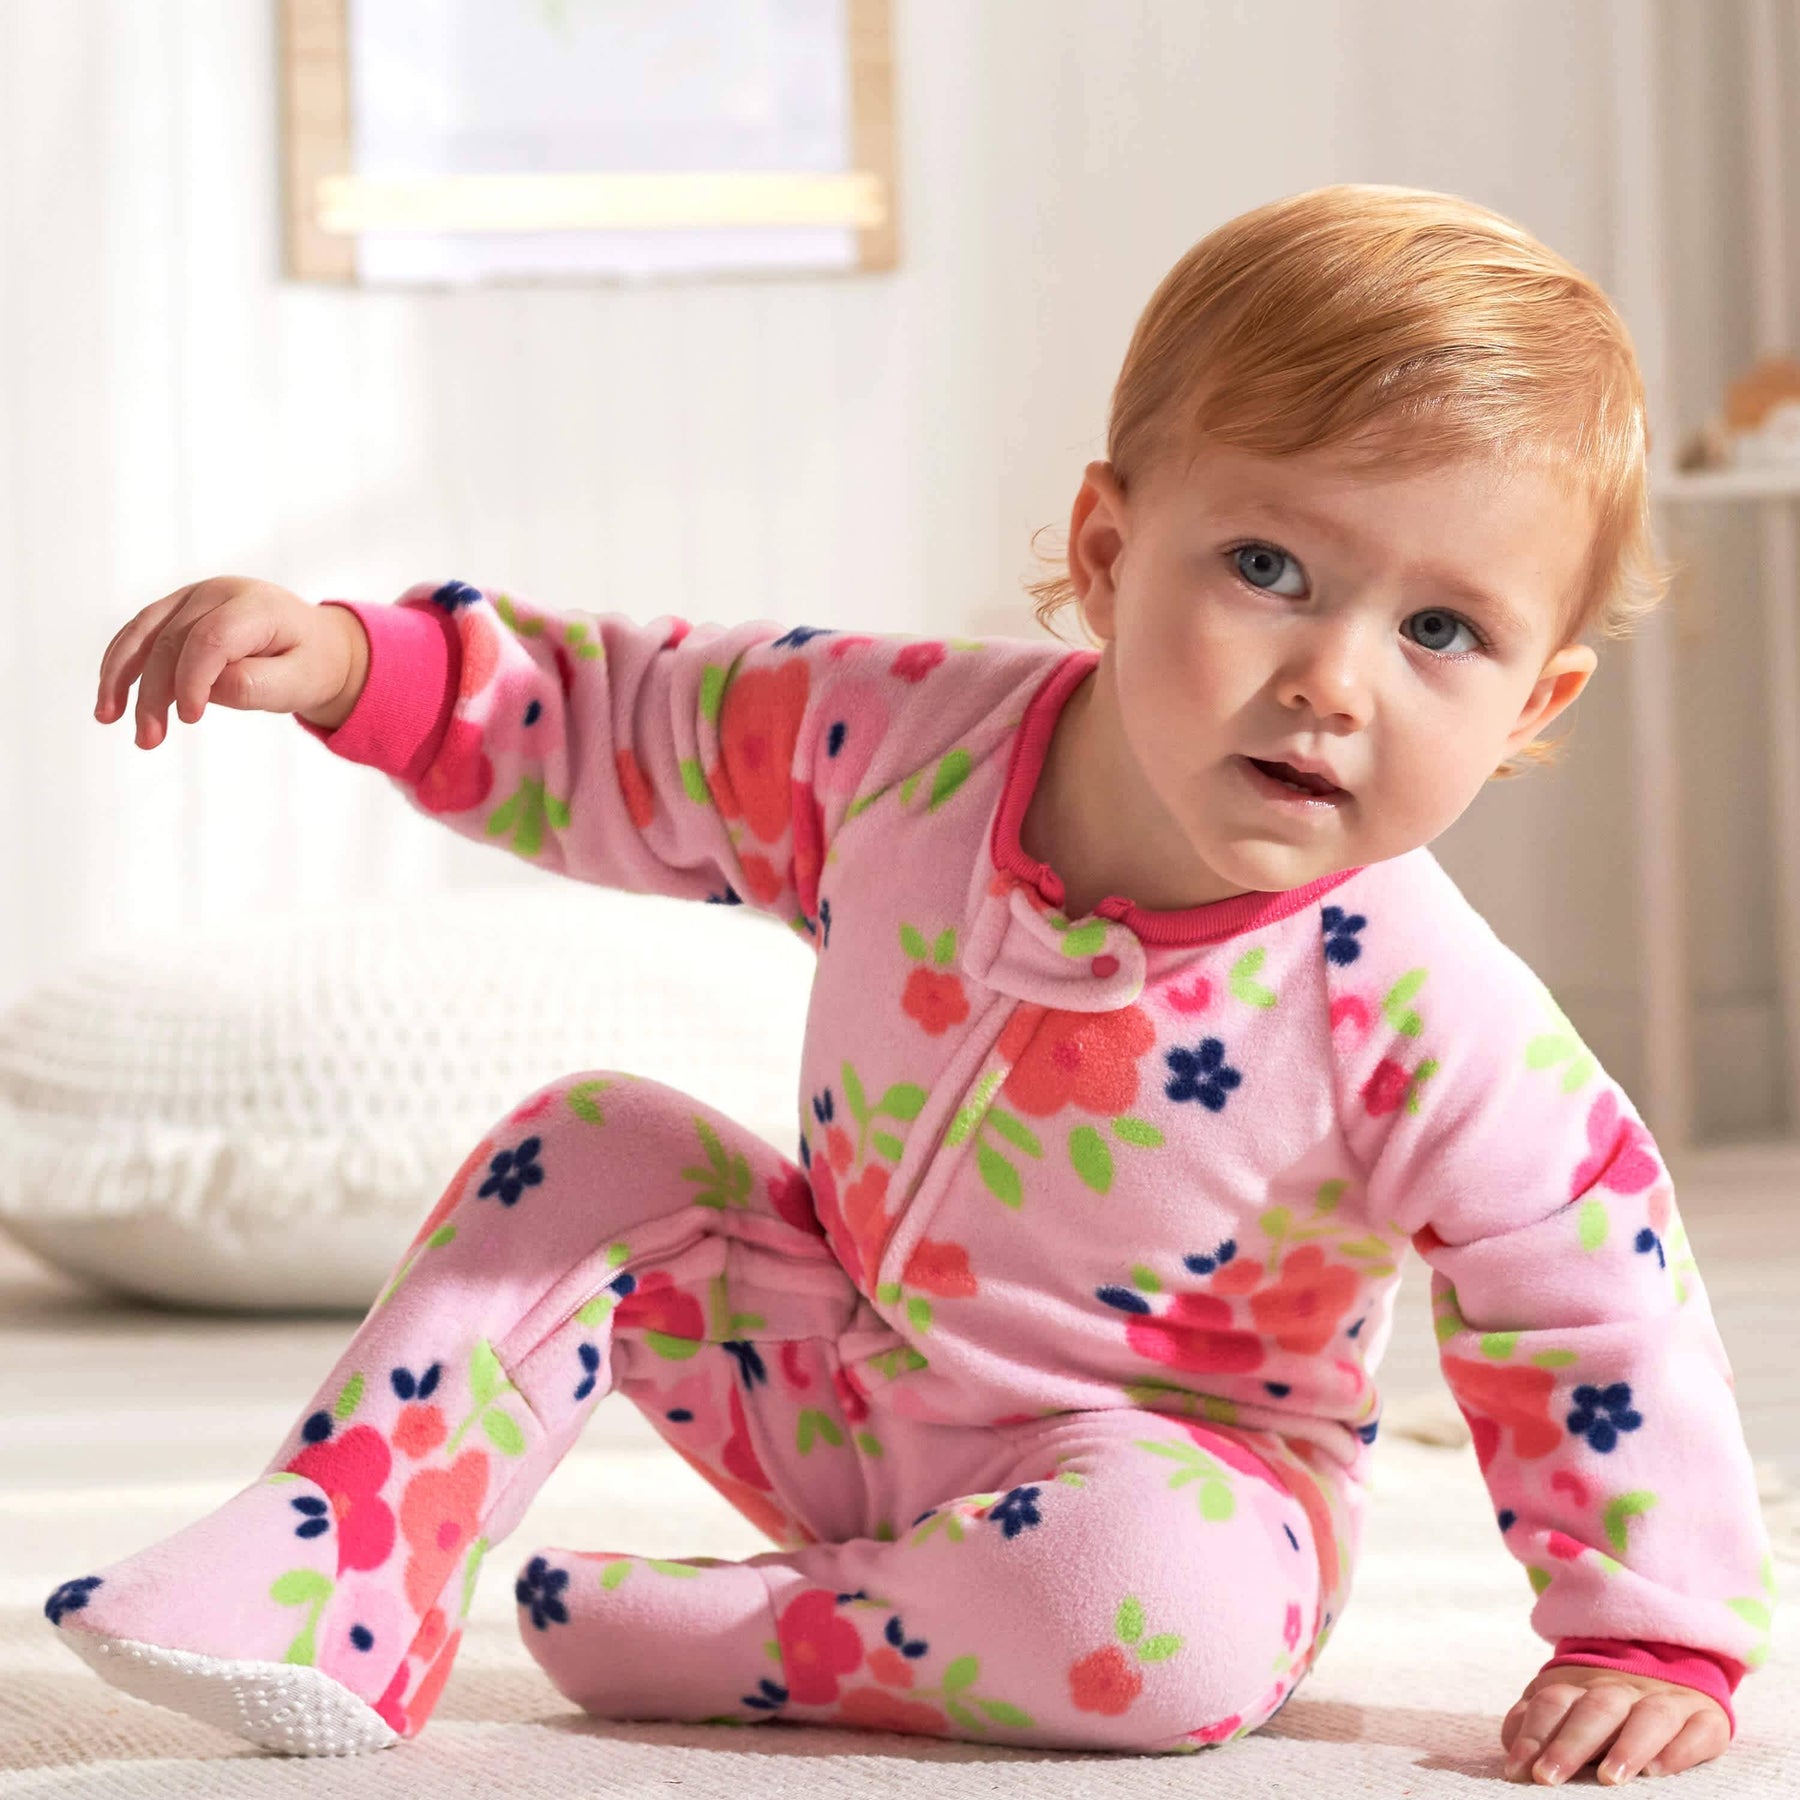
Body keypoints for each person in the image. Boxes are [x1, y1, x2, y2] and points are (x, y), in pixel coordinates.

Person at [52, 184, 1771, 1784]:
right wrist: (364, 668)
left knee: (1154, 1621)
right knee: (589, 1146)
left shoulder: (1418, 1005)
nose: (1333, 679)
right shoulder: (902, 745)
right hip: (826, 1363)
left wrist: (1652, 1636)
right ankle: (339, 1561)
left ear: (1534, 706)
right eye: (1269, 570)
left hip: (1169, 1486)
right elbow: (637, 720)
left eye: (1440, 632)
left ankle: (750, 1638)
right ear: (1108, 552)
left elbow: (1593, 1302)